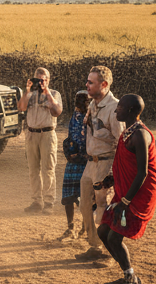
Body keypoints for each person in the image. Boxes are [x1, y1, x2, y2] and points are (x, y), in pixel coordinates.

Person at [99, 94, 156, 284]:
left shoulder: (139, 135)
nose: (116, 110)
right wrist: (111, 180)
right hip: (127, 190)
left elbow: (143, 172)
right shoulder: (127, 132)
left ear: (132, 111)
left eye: (120, 108)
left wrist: (125, 201)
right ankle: (128, 274)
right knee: (103, 232)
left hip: (140, 192)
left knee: (115, 237)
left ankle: (132, 282)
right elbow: (125, 164)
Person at [76, 66, 123, 262]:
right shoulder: (93, 104)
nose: (86, 85)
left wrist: (115, 172)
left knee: (104, 207)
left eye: (91, 82)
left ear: (103, 84)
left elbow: (122, 142)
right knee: (85, 205)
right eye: (87, 81)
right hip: (90, 163)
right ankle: (95, 246)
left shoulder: (115, 108)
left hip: (106, 163)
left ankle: (109, 251)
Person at [19, 67, 63, 214]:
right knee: (33, 170)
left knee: (48, 169)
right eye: (38, 79)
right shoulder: (29, 94)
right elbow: (21, 108)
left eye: (43, 80)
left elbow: (57, 112)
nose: (41, 82)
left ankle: (49, 202)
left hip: (47, 134)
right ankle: (37, 201)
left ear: (48, 80)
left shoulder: (55, 94)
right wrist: (27, 90)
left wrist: (46, 92)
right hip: (31, 134)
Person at [59, 91, 90, 240]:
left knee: (77, 196)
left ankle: (78, 227)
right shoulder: (82, 116)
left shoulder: (85, 117)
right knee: (77, 196)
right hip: (81, 161)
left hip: (81, 161)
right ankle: (79, 227)